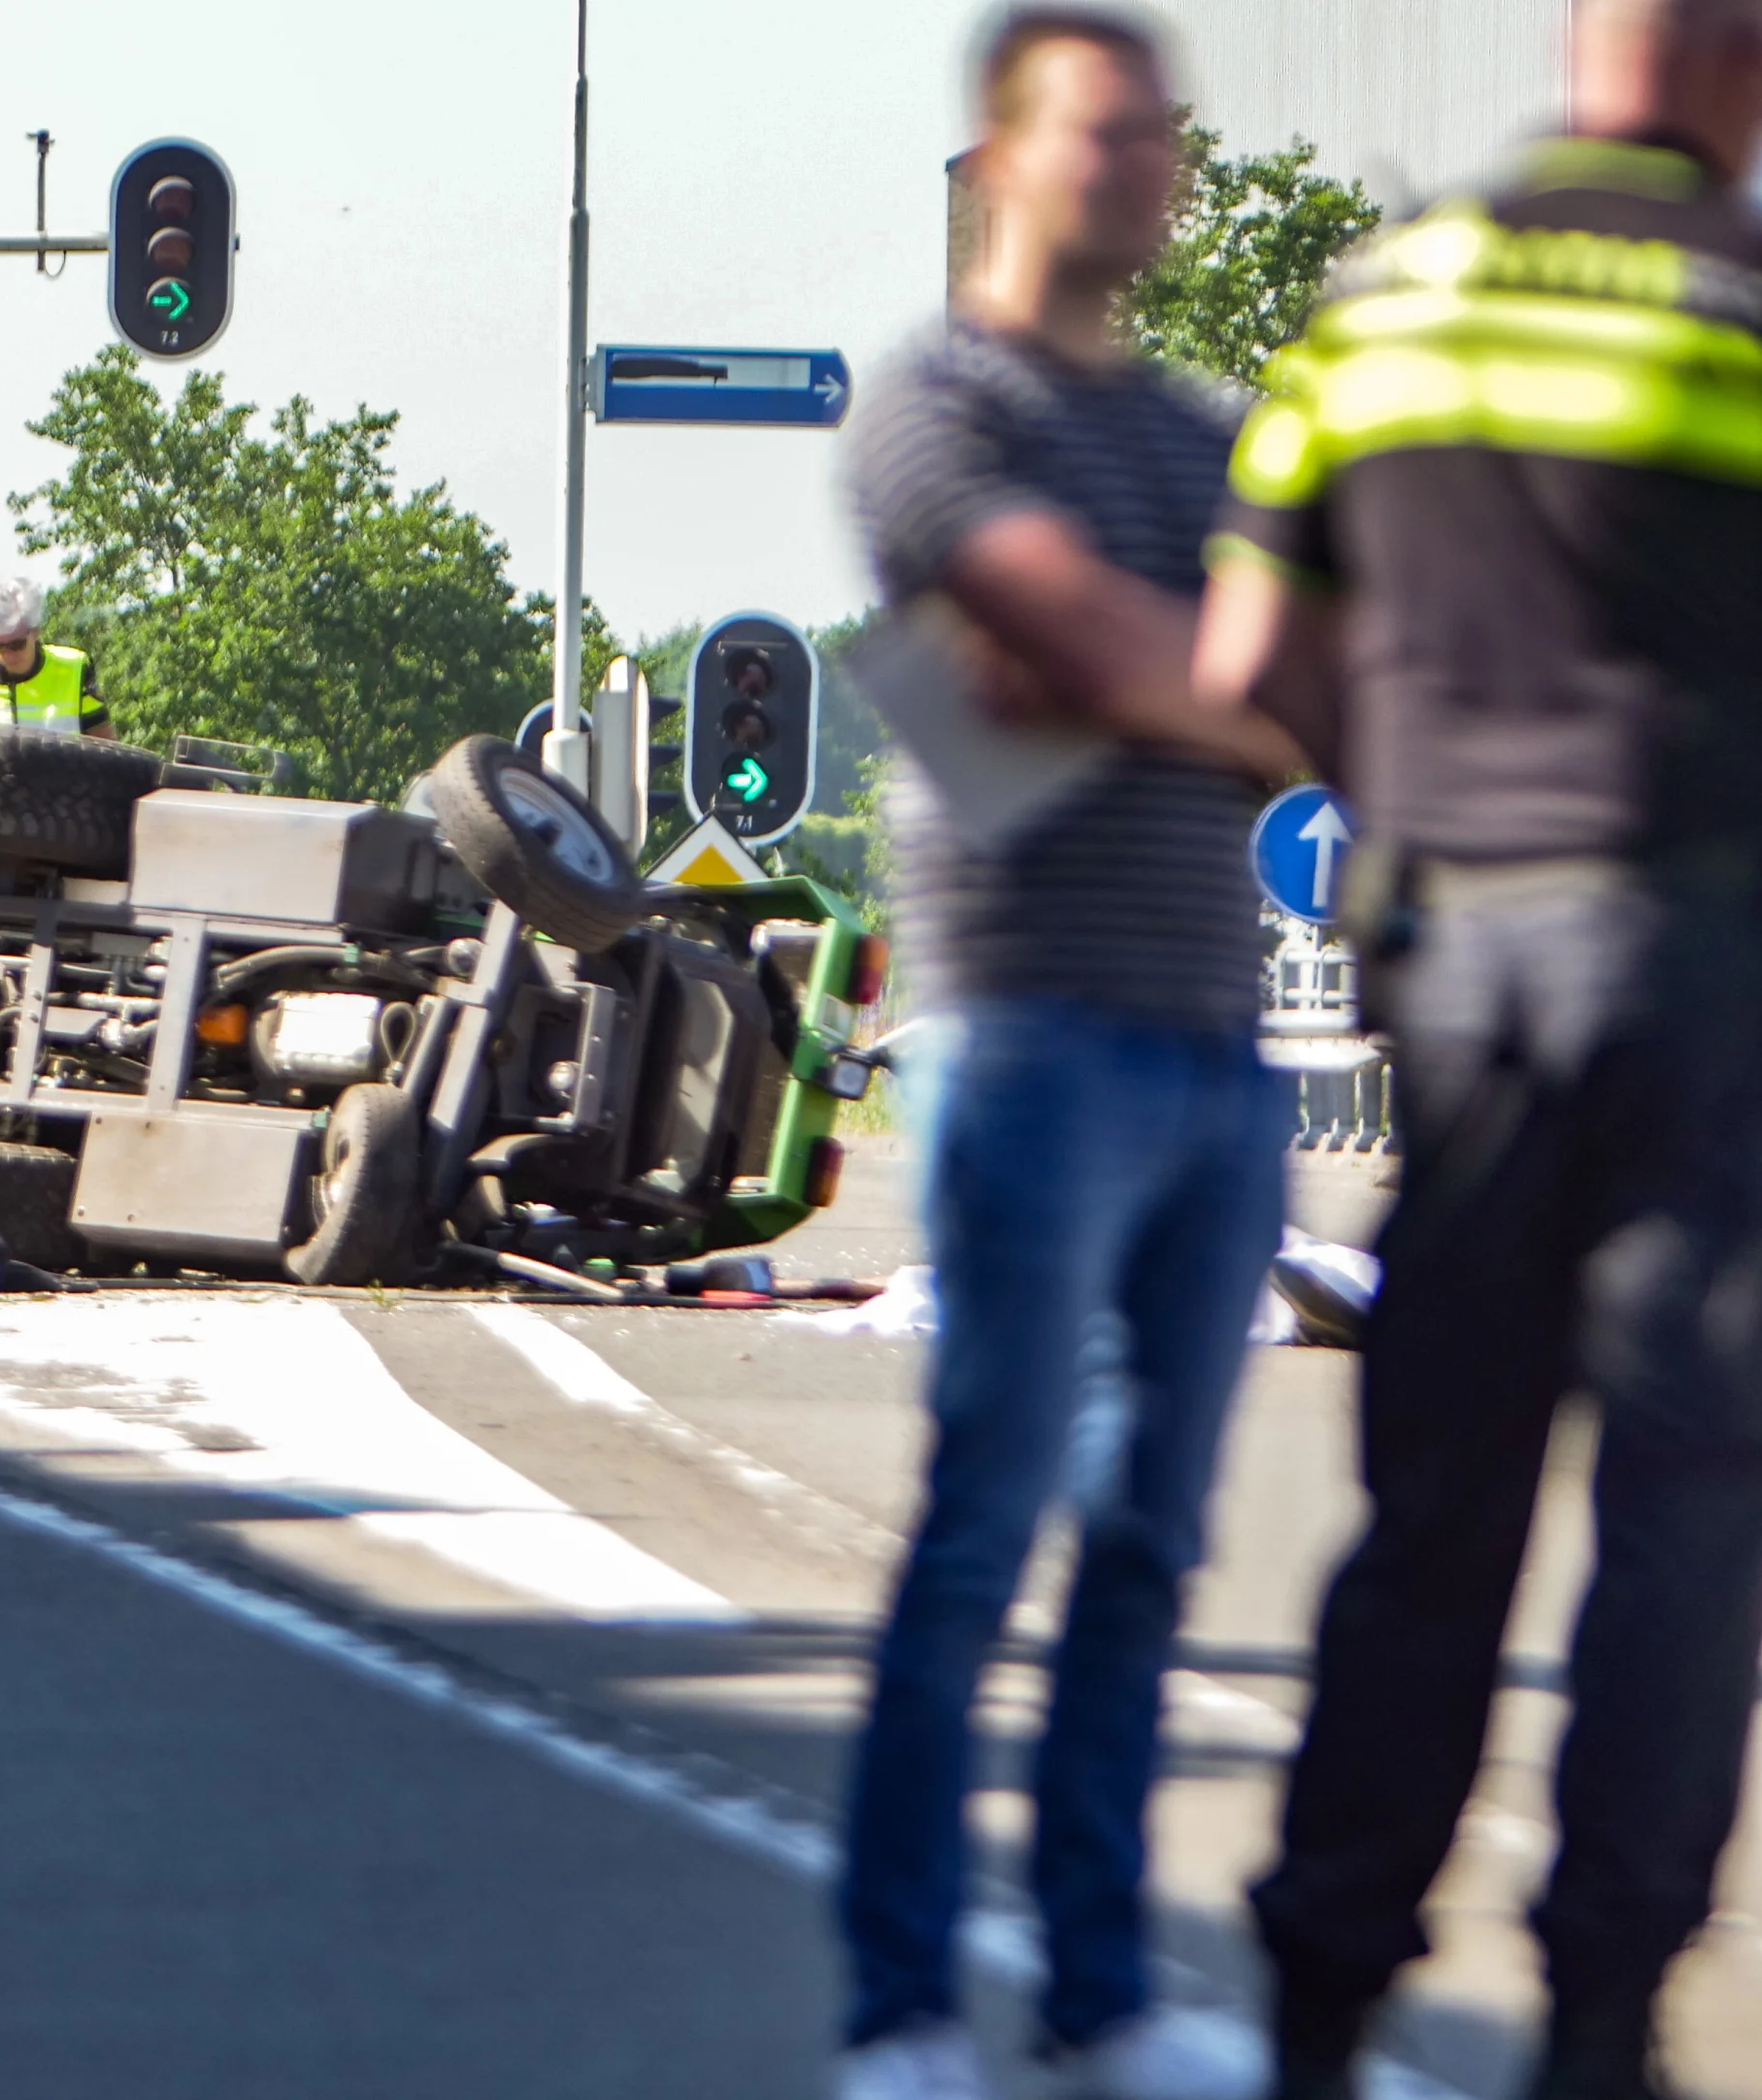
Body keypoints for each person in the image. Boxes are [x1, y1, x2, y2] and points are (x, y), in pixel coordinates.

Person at [1191, 3, 1762, 2091]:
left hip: (1459, 962)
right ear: (1739, 61)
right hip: (1706, 966)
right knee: (1688, 1518)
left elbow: (1249, 660)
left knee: (1439, 1508)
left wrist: (1412, 812)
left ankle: (1322, 1987)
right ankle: (1600, 2014)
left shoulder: (1388, 303)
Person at [831, 13, 1308, 2098]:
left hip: (1219, 1046)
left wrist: (1151, 669)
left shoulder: (1209, 433)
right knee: (983, 1522)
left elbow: (1297, 691)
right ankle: (905, 2003)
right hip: (1030, 1038)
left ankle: (1103, 1992)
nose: (1141, 168)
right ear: (1003, 157)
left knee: (1150, 1543)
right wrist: (1181, 665)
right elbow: (1147, 652)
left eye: (1160, 137)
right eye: (1099, 132)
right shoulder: (935, 405)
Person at [0, 575, 112, 736]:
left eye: (17, 645)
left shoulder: (74, 668)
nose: (8, 655)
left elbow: (106, 746)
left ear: (35, 632)